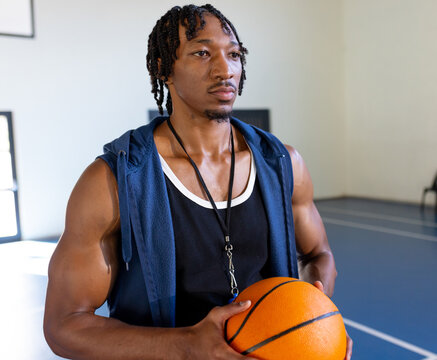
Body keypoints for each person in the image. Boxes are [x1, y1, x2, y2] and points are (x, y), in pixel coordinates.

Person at [44, 4, 352, 359]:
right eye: (202, 53)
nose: (225, 70)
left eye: (234, 54)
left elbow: (319, 254)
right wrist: (187, 344)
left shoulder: (283, 163)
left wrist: (315, 323)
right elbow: (64, 325)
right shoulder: (112, 180)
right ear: (164, 69)